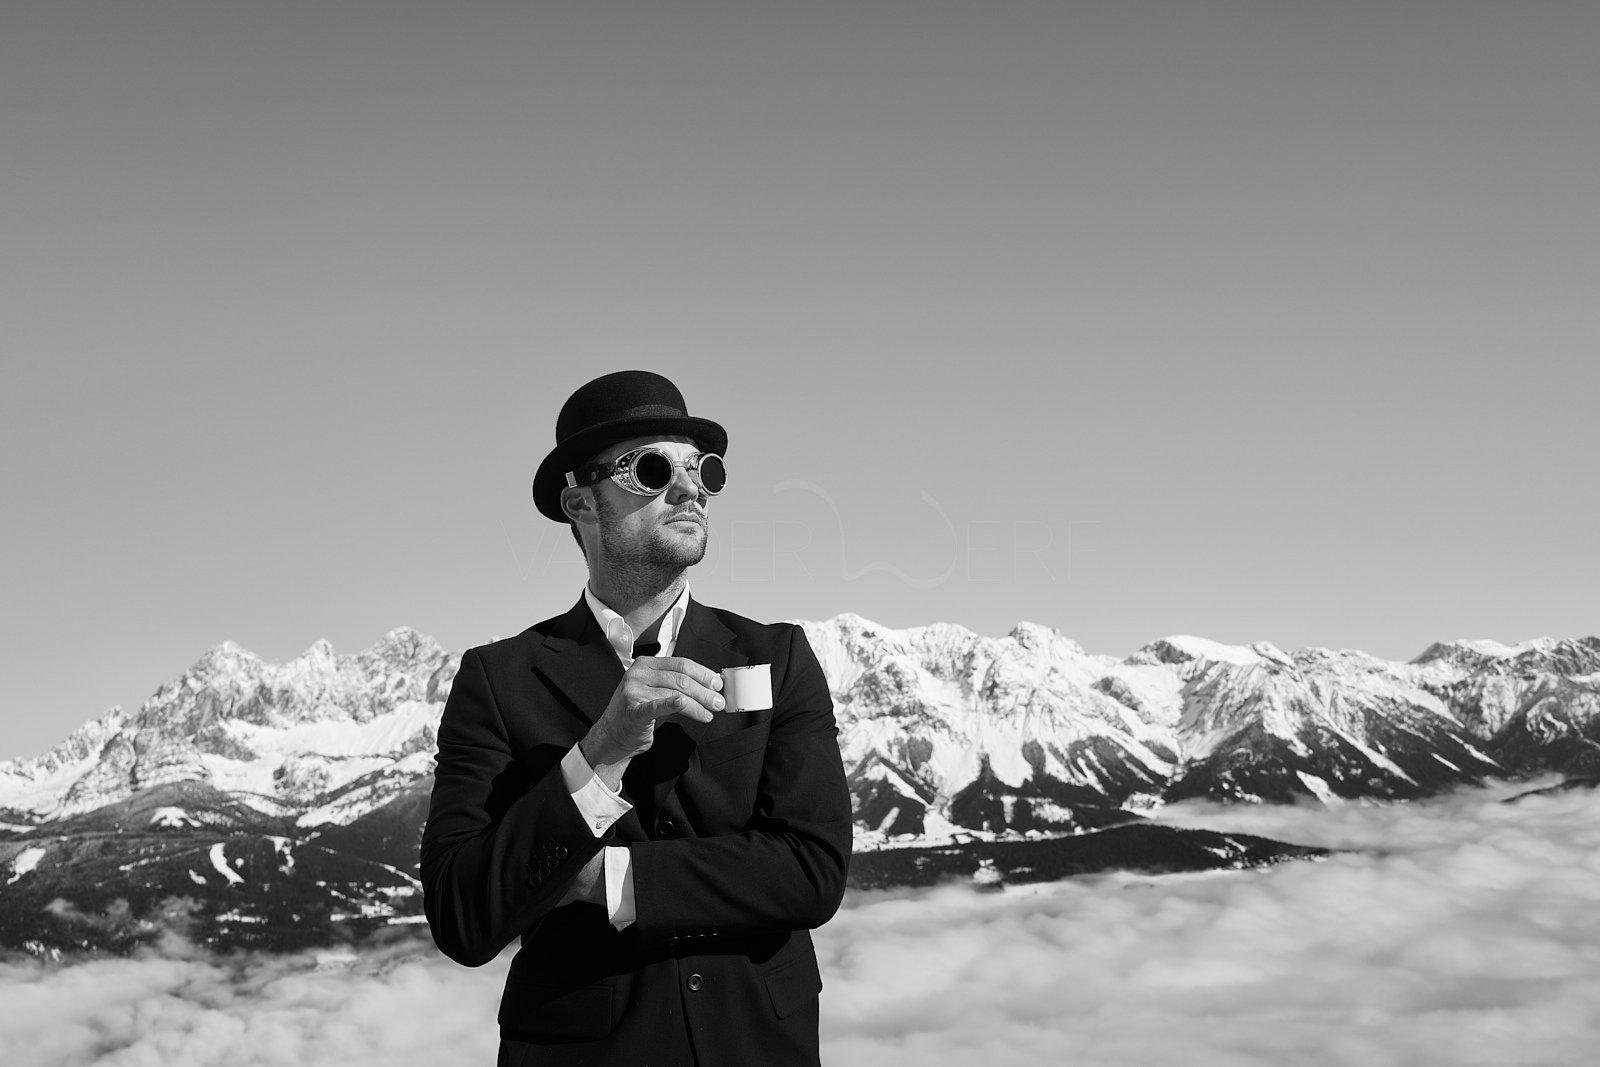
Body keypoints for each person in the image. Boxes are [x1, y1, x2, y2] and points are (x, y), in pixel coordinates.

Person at [421, 370, 853, 1066]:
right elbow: (461, 914)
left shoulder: (778, 657)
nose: (690, 489)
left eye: (702, 470)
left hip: (758, 1045)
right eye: (651, 469)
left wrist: (605, 879)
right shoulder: (498, 681)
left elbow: (813, 869)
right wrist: (600, 752)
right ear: (580, 502)